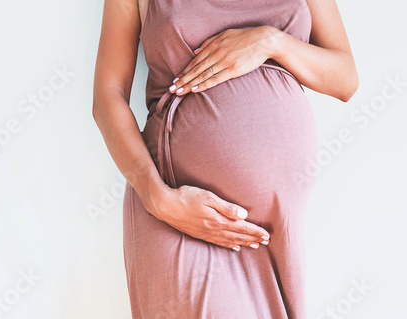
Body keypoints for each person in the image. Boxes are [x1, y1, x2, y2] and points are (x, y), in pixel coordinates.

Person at [92, 0, 358, 317]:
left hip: (276, 228)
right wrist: (158, 198)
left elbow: (345, 79)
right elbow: (107, 96)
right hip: (180, 209)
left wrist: (270, 41)